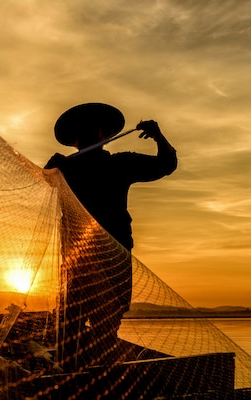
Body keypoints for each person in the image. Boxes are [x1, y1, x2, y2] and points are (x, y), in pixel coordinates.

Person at [44, 102, 177, 367]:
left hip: (113, 253)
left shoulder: (120, 163)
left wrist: (158, 136)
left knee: (108, 317)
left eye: (96, 131)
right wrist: (52, 170)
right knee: (73, 317)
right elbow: (46, 179)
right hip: (77, 258)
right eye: (85, 134)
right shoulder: (64, 169)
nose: (92, 137)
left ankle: (96, 369)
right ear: (75, 142)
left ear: (104, 136)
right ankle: (74, 369)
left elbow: (166, 164)